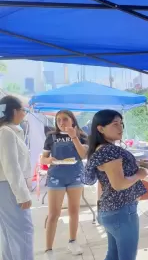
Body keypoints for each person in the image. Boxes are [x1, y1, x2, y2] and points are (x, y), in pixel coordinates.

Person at [83, 109, 148, 260]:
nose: (120, 128)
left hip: (111, 209)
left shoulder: (101, 149)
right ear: (100, 128)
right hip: (122, 211)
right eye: (115, 124)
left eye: (121, 123)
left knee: (113, 255)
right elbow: (118, 184)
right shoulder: (110, 150)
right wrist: (140, 174)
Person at [40, 110, 88, 259]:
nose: (61, 122)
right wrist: (48, 161)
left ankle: (72, 241)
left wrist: (74, 137)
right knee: (54, 213)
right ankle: (48, 250)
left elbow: (83, 155)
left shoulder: (82, 135)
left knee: (74, 211)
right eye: (58, 120)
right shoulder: (51, 136)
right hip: (56, 176)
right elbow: (43, 159)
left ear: (72, 120)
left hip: (76, 175)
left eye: (65, 119)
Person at [0, 95, 34, 260]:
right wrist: (22, 194)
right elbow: (11, 166)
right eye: (23, 110)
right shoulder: (6, 132)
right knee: (22, 231)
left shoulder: (9, 130)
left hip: (7, 186)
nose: (25, 113)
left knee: (10, 232)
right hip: (9, 186)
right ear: (14, 111)